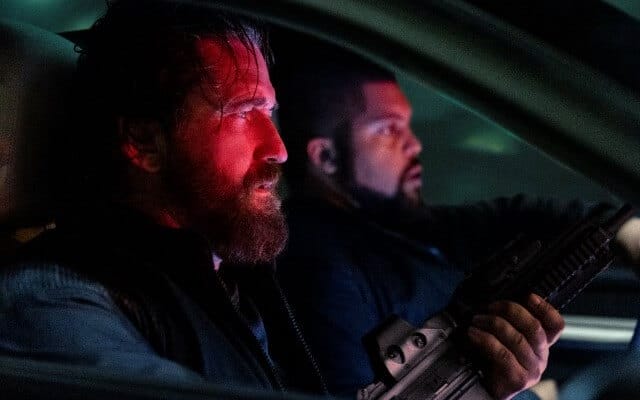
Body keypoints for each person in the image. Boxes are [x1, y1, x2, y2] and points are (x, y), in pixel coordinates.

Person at [0, 2, 574, 399]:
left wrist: (479, 388)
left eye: (269, 112)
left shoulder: (236, 277)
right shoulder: (52, 298)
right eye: (241, 113)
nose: (276, 147)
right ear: (145, 142)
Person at [272, 39, 640, 398]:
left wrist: (627, 231)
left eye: (408, 126)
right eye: (388, 129)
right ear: (326, 158)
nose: (414, 144)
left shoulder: (400, 224)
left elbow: (518, 218)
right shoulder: (317, 264)